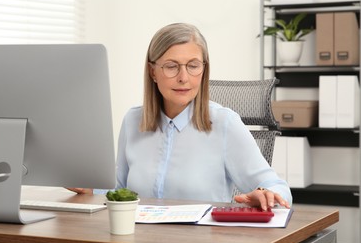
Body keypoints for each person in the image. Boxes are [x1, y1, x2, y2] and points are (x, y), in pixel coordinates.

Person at [71, 23, 292, 211]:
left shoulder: (225, 124)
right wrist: (90, 188)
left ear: (204, 70)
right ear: (153, 72)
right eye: (171, 67)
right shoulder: (133, 121)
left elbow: (279, 189)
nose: (183, 78)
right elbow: (119, 190)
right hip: (140, 238)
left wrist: (266, 194)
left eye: (193, 66)